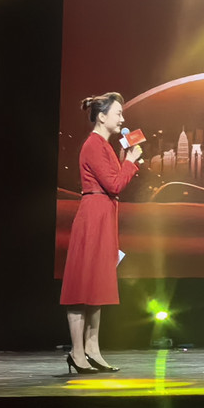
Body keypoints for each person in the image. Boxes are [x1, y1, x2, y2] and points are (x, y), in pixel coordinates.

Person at [60, 92, 142, 374]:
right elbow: (114, 184)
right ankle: (77, 351)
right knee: (82, 284)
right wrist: (130, 162)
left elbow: (114, 182)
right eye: (118, 113)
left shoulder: (104, 146)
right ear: (102, 116)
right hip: (94, 216)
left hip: (104, 215)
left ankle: (92, 349)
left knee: (97, 284)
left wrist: (127, 161)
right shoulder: (93, 145)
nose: (122, 119)